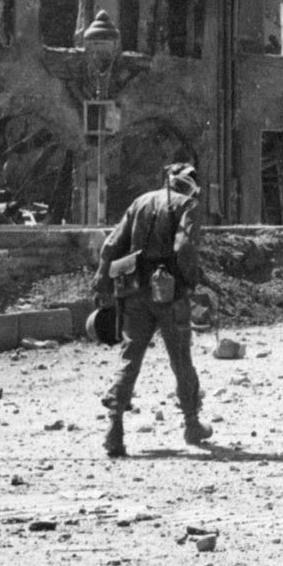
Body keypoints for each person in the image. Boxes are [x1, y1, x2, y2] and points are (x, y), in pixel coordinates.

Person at [96, 162, 209, 458]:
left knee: (130, 355)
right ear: (192, 187)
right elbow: (184, 247)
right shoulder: (188, 205)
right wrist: (191, 282)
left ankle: (114, 429)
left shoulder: (141, 201)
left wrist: (101, 283)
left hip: (134, 291)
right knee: (181, 358)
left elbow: (111, 245)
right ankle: (192, 424)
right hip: (169, 294)